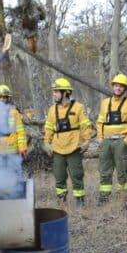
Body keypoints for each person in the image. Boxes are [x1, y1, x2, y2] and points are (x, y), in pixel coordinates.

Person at [43, 77, 92, 205]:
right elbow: (49, 128)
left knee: (77, 175)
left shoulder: (78, 107)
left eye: (56, 91)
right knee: (59, 176)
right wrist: (47, 143)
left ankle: (80, 201)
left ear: (65, 93)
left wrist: (87, 141)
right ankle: (62, 200)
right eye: (53, 91)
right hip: (57, 149)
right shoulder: (52, 110)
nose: (54, 94)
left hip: (74, 148)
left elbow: (86, 126)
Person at [96, 73, 127, 203]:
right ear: (113, 86)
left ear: (125, 88)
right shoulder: (105, 103)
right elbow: (99, 122)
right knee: (104, 170)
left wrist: (126, 141)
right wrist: (100, 139)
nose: (118, 88)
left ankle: (123, 198)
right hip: (106, 141)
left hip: (121, 141)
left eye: (121, 86)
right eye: (116, 85)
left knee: (122, 170)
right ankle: (104, 198)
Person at [0, 83, 28, 197]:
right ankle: (1, 197)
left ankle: (18, 196)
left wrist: (23, 149)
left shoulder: (14, 113)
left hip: (12, 150)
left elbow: (20, 132)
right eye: (0, 97)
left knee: (15, 175)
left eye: (4, 97)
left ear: (8, 98)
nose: (2, 99)